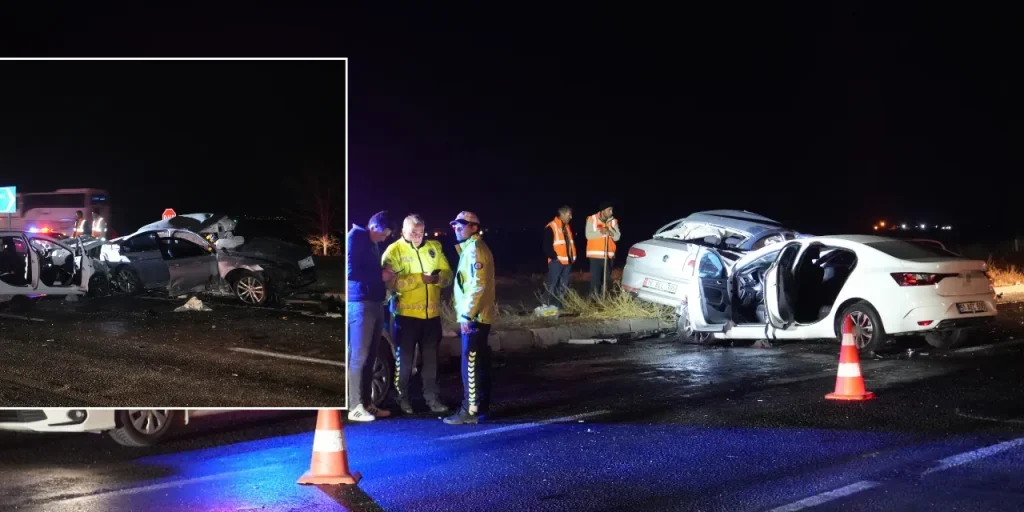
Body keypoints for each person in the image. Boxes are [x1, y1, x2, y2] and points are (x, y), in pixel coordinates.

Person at [381, 214, 453, 415]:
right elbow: (388, 282)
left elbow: (448, 274)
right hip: (406, 317)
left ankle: (432, 399)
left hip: (431, 316)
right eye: (413, 232)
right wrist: (419, 279)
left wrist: (438, 279)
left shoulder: (434, 248)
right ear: (403, 231)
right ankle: (402, 398)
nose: (418, 236)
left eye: (421, 232)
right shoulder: (394, 251)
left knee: (431, 363)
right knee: (404, 362)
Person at [444, 211, 497, 425]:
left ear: (474, 228)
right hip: (477, 316)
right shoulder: (470, 249)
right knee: (478, 363)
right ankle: (480, 407)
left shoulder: (475, 251)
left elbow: (477, 286)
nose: (457, 228)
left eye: (462, 224)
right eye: (455, 224)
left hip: (475, 317)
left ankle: (470, 411)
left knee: (471, 365)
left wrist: (466, 315)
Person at [346, 211, 396, 422]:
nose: (385, 238)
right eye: (384, 234)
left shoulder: (370, 242)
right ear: (374, 227)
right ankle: (355, 406)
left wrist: (382, 273)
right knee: (359, 356)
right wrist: (379, 275)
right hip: (360, 304)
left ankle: (367, 404)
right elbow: (349, 271)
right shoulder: (355, 238)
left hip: (374, 303)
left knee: (370, 357)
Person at [585, 202, 621, 298]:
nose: (611, 212)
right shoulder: (592, 219)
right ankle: (593, 300)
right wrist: (600, 232)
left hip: (608, 256)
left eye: (612, 210)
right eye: (609, 210)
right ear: (602, 210)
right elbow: (588, 235)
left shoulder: (613, 221)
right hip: (595, 256)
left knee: (606, 280)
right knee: (595, 280)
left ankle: (604, 300)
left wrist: (611, 232)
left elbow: (617, 237)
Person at [543, 205, 576, 308]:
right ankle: (545, 305)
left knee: (563, 287)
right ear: (562, 214)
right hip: (556, 262)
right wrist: (555, 257)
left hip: (567, 262)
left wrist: (572, 258)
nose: (571, 217)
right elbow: (546, 246)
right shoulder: (551, 226)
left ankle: (559, 307)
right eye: (569, 214)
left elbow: (569, 244)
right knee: (552, 284)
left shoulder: (567, 227)